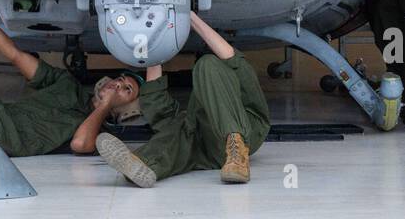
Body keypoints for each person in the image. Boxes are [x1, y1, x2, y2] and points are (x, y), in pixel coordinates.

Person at [0, 0, 142, 157]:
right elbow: (14, 54)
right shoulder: (66, 84)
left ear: (127, 110)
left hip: (6, 134)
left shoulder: (98, 130)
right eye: (121, 80)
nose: (118, 84)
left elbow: (80, 144)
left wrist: (104, 106)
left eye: (126, 90)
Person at [84, 12, 271, 188]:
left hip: (248, 130)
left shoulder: (237, 77)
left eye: (127, 87)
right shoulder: (187, 122)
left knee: (207, 63)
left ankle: (236, 149)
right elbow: (157, 101)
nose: (119, 86)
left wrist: (187, 15)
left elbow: (231, 58)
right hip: (205, 149)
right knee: (177, 131)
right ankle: (143, 164)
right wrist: (152, 30)